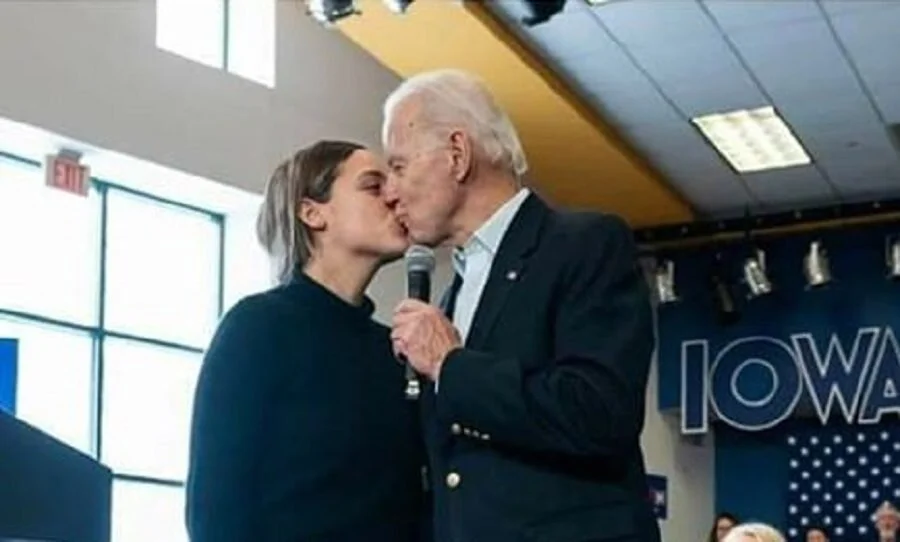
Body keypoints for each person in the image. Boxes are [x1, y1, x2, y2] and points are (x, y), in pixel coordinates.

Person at [383, 68, 659, 542]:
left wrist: (451, 366)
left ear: (457, 154)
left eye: (399, 166)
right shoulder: (454, 291)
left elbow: (599, 413)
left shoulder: (585, 244)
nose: (390, 192)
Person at [185, 141, 427, 542]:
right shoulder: (258, 327)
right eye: (373, 185)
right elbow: (215, 507)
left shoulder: (395, 351)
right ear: (312, 213)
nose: (394, 195)